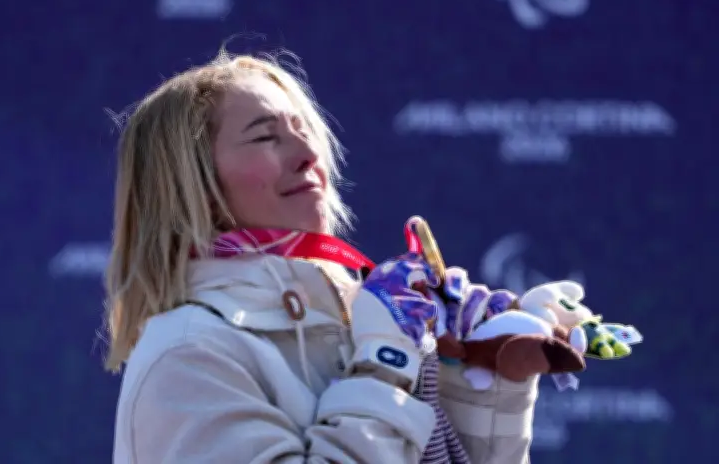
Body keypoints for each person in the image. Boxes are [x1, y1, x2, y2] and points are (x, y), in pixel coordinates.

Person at [105, 49, 540, 464]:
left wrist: (480, 378)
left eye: (304, 130)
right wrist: (385, 360)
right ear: (192, 185)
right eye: (265, 137)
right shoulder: (188, 352)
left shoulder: (354, 321)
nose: (310, 155)